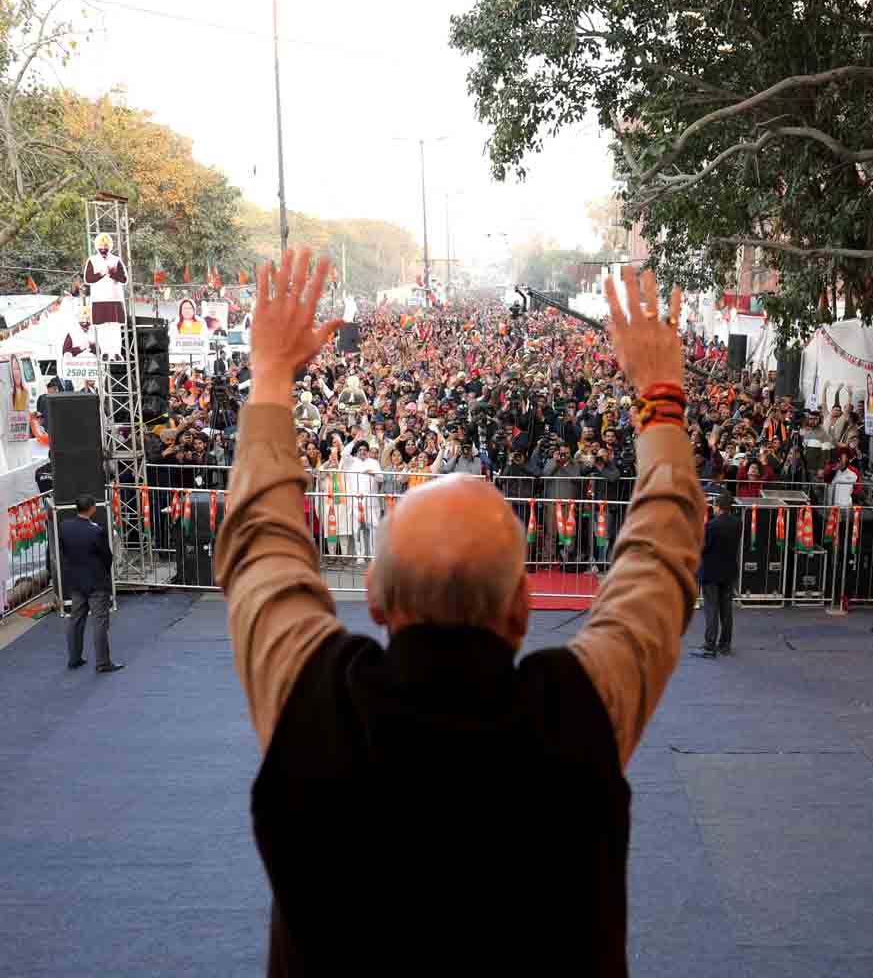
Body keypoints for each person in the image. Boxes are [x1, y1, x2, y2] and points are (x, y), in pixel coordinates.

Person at [215, 251, 702, 978]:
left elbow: (259, 544)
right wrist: (658, 397)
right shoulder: (575, 713)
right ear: (523, 605)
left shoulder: (312, 699)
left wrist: (271, 376)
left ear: (374, 595)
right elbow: (660, 557)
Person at [58, 494, 123, 672]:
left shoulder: (64, 527)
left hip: (77, 581)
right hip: (96, 582)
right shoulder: (96, 531)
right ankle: (103, 662)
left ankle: (74, 658)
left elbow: (63, 551)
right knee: (99, 621)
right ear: (92, 508)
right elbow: (106, 556)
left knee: (76, 620)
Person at [693, 492, 741, 659]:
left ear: (718, 507)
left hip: (711, 572)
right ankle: (725, 644)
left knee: (711, 609)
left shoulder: (711, 526)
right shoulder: (737, 523)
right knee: (726, 609)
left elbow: (703, 548)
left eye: (714, 505)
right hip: (729, 571)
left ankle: (709, 645)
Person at [83, 232, 127, 358]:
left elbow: (124, 279)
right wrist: (101, 274)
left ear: (110, 246)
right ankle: (106, 351)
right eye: (101, 245)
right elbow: (88, 278)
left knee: (114, 327)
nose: (103, 248)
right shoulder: (92, 260)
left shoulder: (116, 260)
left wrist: (112, 273)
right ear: (97, 247)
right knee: (102, 327)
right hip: (99, 299)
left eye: (106, 245)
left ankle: (116, 352)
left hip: (115, 298)